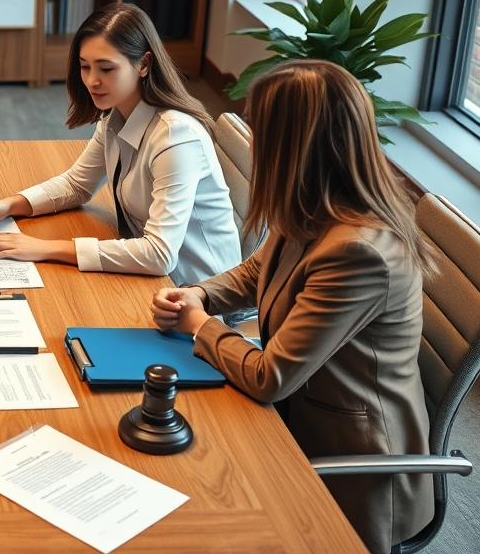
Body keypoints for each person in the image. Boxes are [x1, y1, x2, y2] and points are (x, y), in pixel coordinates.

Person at [150, 59, 434, 552]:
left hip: (349, 468)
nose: (254, 145)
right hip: (294, 414)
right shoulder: (314, 205)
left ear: (295, 145)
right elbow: (257, 270)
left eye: (262, 133)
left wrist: (199, 325)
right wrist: (201, 294)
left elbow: (269, 378)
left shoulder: (358, 251)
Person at [0, 2, 239, 286]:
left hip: (200, 293)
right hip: (154, 281)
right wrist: (8, 206)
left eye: (106, 69)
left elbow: (159, 255)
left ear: (144, 65)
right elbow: (77, 185)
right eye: (85, 67)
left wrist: (44, 248)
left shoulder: (176, 137)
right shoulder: (116, 117)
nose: (92, 81)